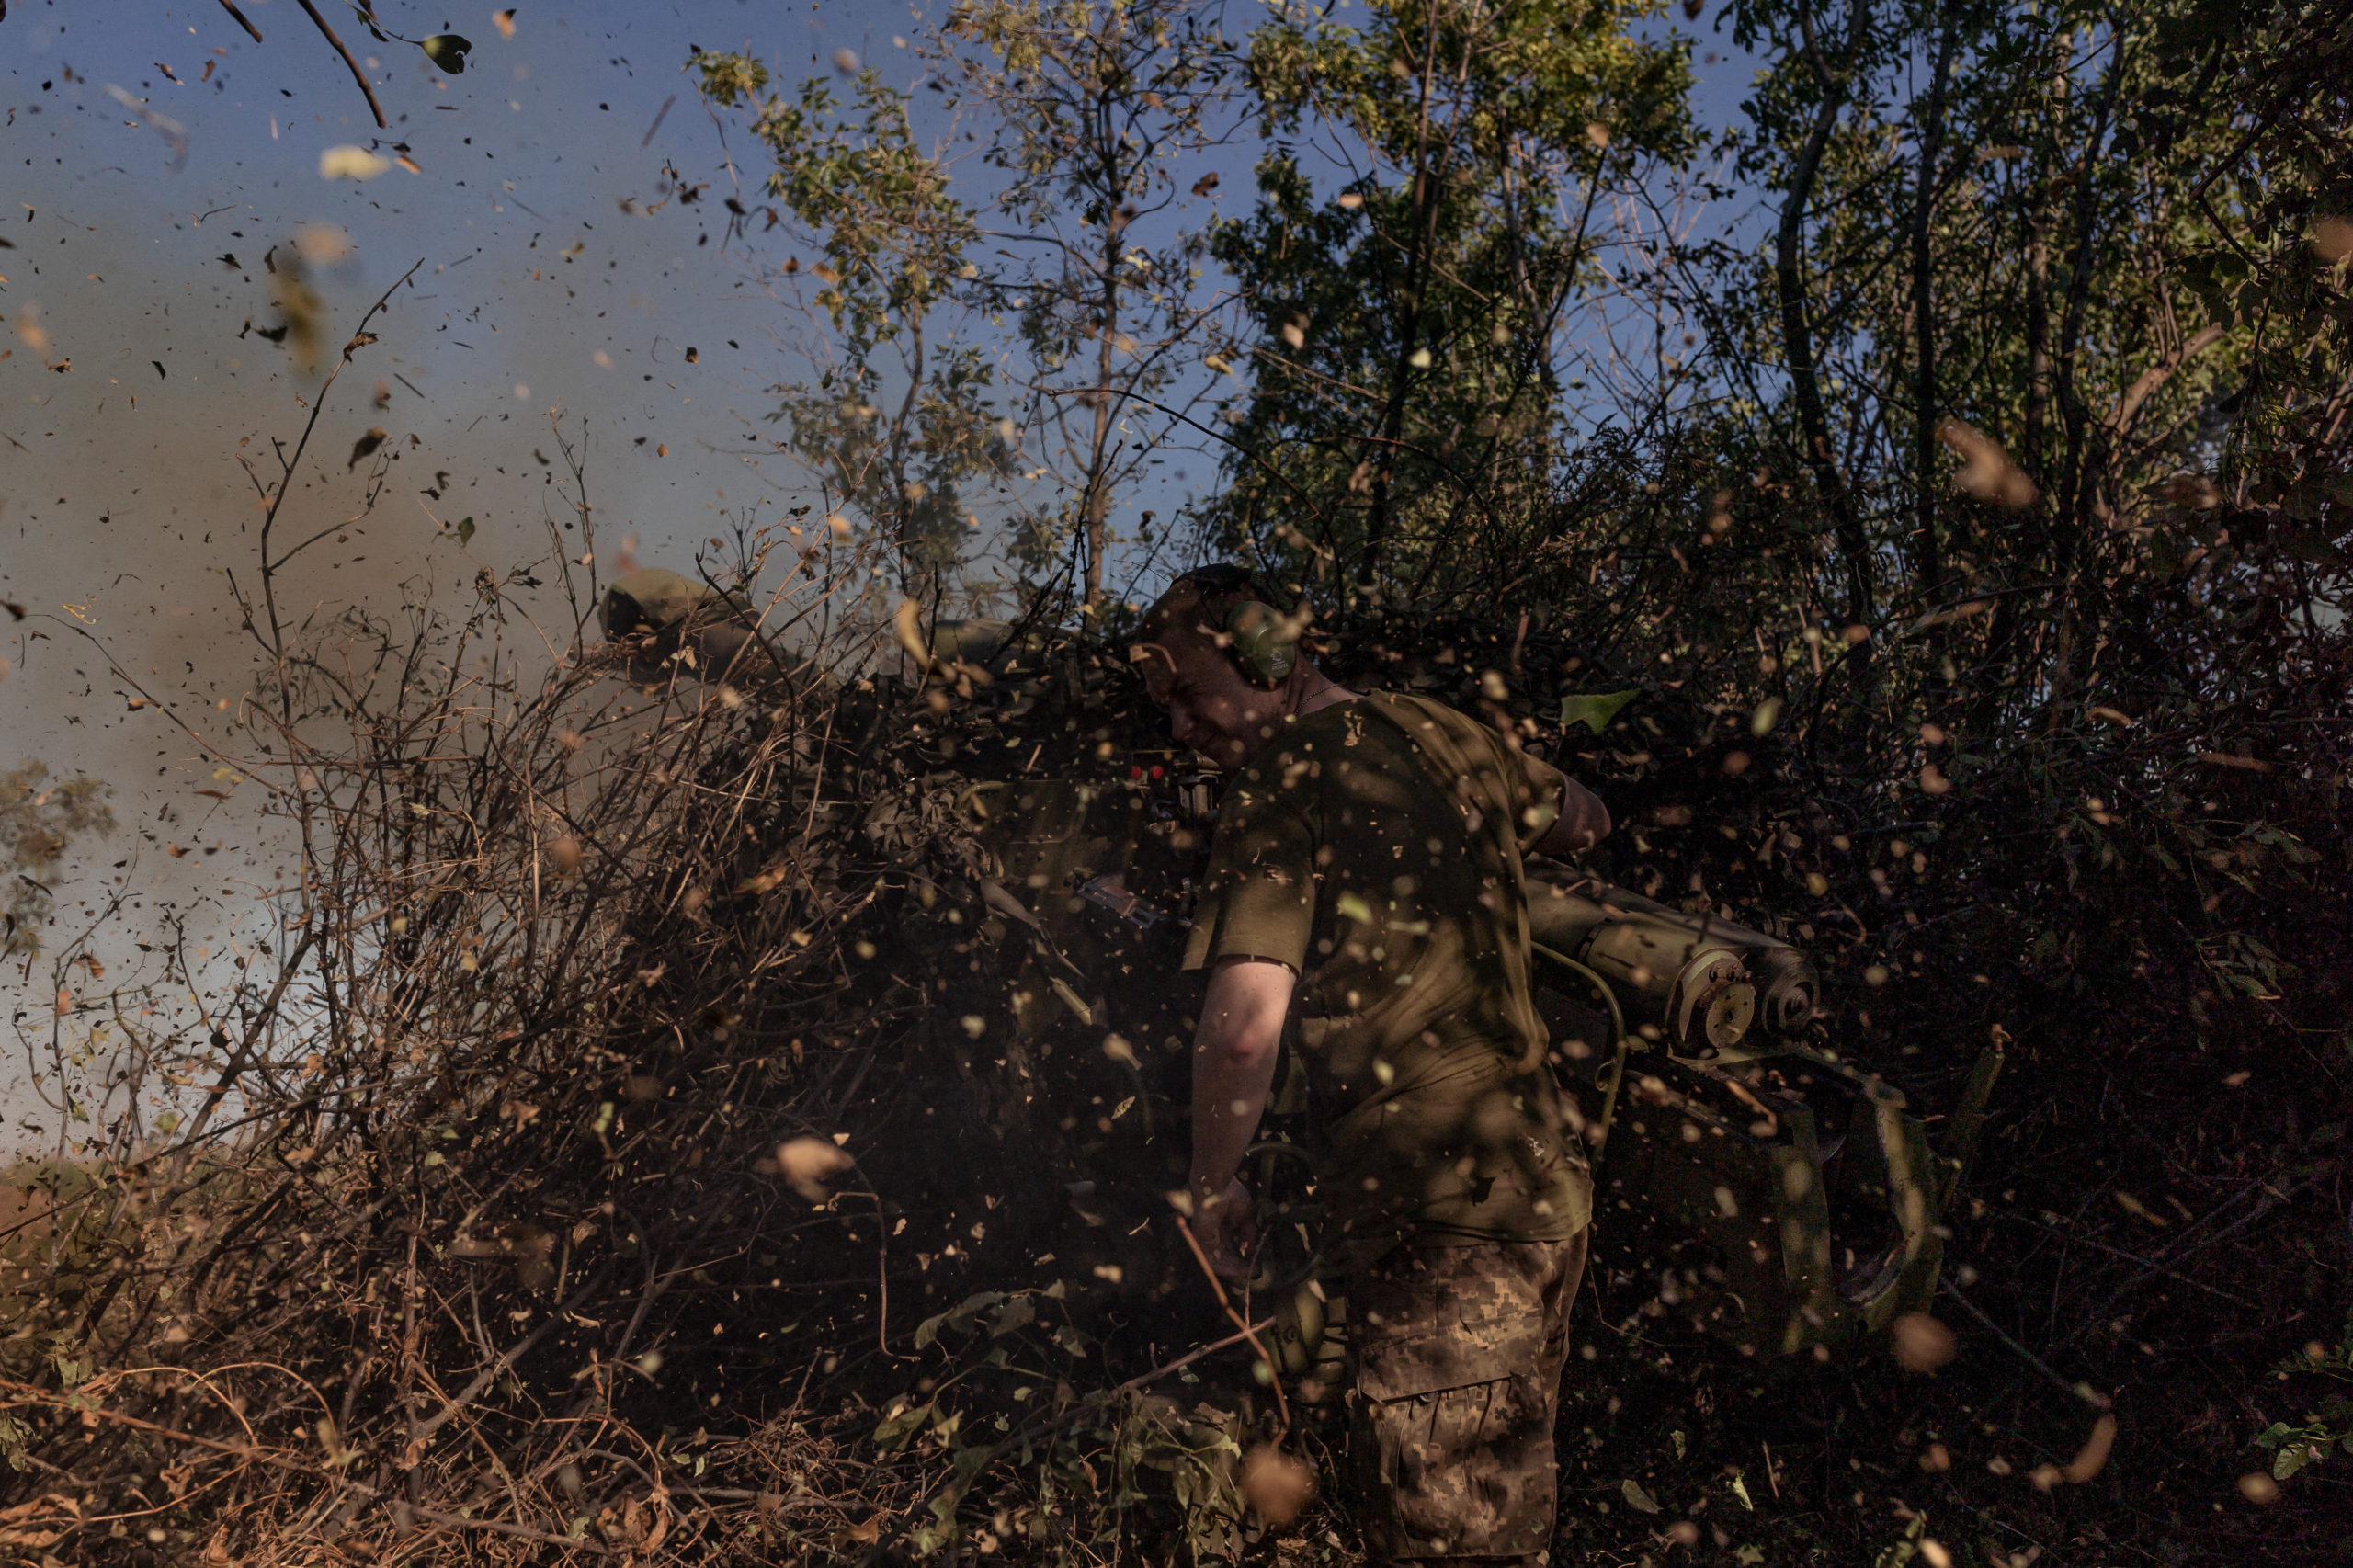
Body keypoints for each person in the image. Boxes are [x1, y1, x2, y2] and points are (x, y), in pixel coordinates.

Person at [1131, 564, 1611, 1567]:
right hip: (1540, 1193)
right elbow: (1585, 816)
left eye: (1185, 690)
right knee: (1502, 1516)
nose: (1177, 725)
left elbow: (1242, 1031)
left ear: (1266, 649)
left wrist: (1212, 1181)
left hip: (1437, 1215)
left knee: (1447, 1538)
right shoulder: (1447, 732)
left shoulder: (1284, 773)